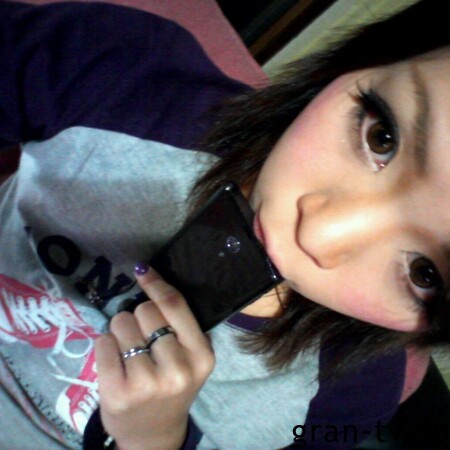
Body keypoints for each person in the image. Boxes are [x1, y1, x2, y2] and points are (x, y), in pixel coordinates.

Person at [0, 0, 448, 449]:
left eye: (424, 273)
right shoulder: (126, 77)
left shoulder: (356, 399)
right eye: (381, 138)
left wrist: (154, 439)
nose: (318, 234)